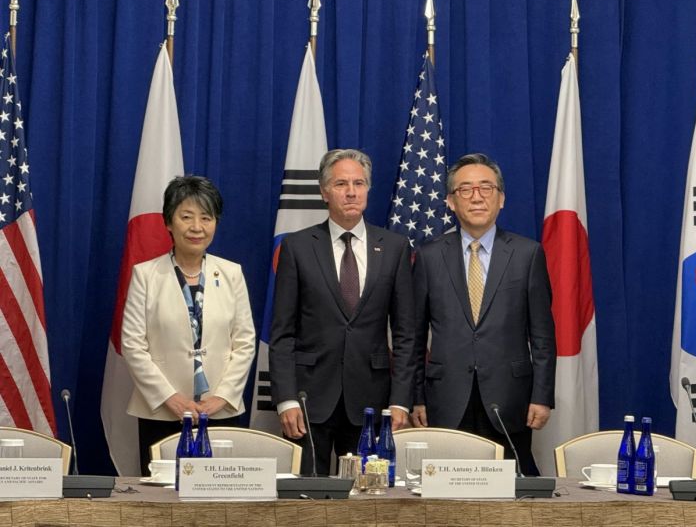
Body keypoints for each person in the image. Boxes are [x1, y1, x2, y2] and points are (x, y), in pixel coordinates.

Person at [269, 148, 415, 475]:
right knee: (306, 501)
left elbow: (406, 334)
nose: (351, 191)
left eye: (359, 183)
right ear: (324, 192)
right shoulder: (296, 247)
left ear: (368, 189)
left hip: (372, 403)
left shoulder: (394, 247)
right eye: (341, 184)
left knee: (367, 503)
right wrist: (286, 399)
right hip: (308, 402)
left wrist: (401, 400)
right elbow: (281, 333)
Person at [411, 153, 556, 475]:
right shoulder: (429, 255)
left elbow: (543, 336)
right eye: (465, 189)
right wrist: (416, 398)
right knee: (445, 494)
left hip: (510, 397)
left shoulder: (526, 254)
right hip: (445, 397)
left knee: (510, 497)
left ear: (501, 199)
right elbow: (415, 336)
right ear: (450, 201)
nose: (476, 197)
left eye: (486, 188)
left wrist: (542, 396)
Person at [121, 175, 256, 475]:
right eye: (186, 217)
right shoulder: (146, 275)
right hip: (161, 411)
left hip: (219, 411)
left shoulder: (231, 273)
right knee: (163, 501)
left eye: (206, 218)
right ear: (169, 222)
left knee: (217, 500)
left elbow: (245, 342)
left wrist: (220, 397)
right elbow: (132, 345)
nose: (197, 227)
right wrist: (172, 398)